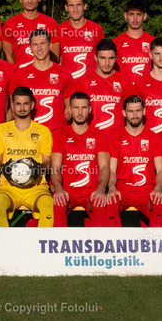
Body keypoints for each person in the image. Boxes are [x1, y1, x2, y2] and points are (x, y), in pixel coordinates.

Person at [0, 86, 53, 227]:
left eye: (26, 103)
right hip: (8, 187)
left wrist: (38, 169)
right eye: (18, 104)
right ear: (12, 106)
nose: (22, 108)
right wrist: (3, 168)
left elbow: (47, 162)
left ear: (32, 105)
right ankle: (3, 241)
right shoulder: (1, 129)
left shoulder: (43, 131)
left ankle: (42, 241)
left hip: (36, 187)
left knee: (48, 205)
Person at [51, 92, 109, 227]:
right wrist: (58, 188)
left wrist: (101, 189)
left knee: (99, 203)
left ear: (90, 109)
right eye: (76, 108)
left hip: (91, 190)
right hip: (67, 190)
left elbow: (105, 167)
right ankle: (58, 240)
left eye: (84, 107)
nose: (80, 112)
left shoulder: (100, 136)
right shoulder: (60, 135)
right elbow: (55, 167)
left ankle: (98, 241)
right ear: (70, 109)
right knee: (58, 203)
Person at [107, 95, 162, 227]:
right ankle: (113, 240)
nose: (135, 115)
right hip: (123, 190)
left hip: (147, 190)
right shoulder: (116, 138)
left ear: (144, 111)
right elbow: (111, 170)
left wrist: (158, 188)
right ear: (124, 113)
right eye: (131, 111)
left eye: (138, 111)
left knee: (159, 203)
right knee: (111, 202)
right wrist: (111, 188)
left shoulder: (153, 137)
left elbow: (160, 170)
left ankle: (157, 240)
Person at [8, 29, 74, 132]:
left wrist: (57, 126)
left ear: (50, 45)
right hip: (29, 134)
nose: (39, 48)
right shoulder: (20, 75)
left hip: (56, 134)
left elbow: (70, 109)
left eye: (43, 43)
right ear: (30, 48)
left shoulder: (64, 74)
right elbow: (14, 108)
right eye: (35, 44)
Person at [79, 39, 130, 140]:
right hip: (90, 139)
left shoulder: (125, 83)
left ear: (116, 58)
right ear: (95, 57)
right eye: (103, 58)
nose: (107, 63)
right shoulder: (83, 82)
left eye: (111, 58)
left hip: (117, 140)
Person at [2, 0, 60, 66]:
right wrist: (15, 72)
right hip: (20, 73)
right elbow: (7, 57)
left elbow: (55, 56)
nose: (30, 1)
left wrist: (45, 71)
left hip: (43, 73)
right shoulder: (10, 24)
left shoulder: (50, 23)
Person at [58, 0, 104, 88]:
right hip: (68, 87)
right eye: (71, 5)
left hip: (91, 87)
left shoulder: (96, 29)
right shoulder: (58, 30)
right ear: (66, 7)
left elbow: (103, 58)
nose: (75, 9)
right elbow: (55, 61)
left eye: (78, 5)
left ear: (85, 6)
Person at [112, 0, 155, 87]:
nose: (135, 18)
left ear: (145, 16)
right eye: (131, 14)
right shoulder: (116, 43)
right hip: (123, 91)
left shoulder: (153, 42)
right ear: (125, 16)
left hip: (147, 91)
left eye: (139, 14)